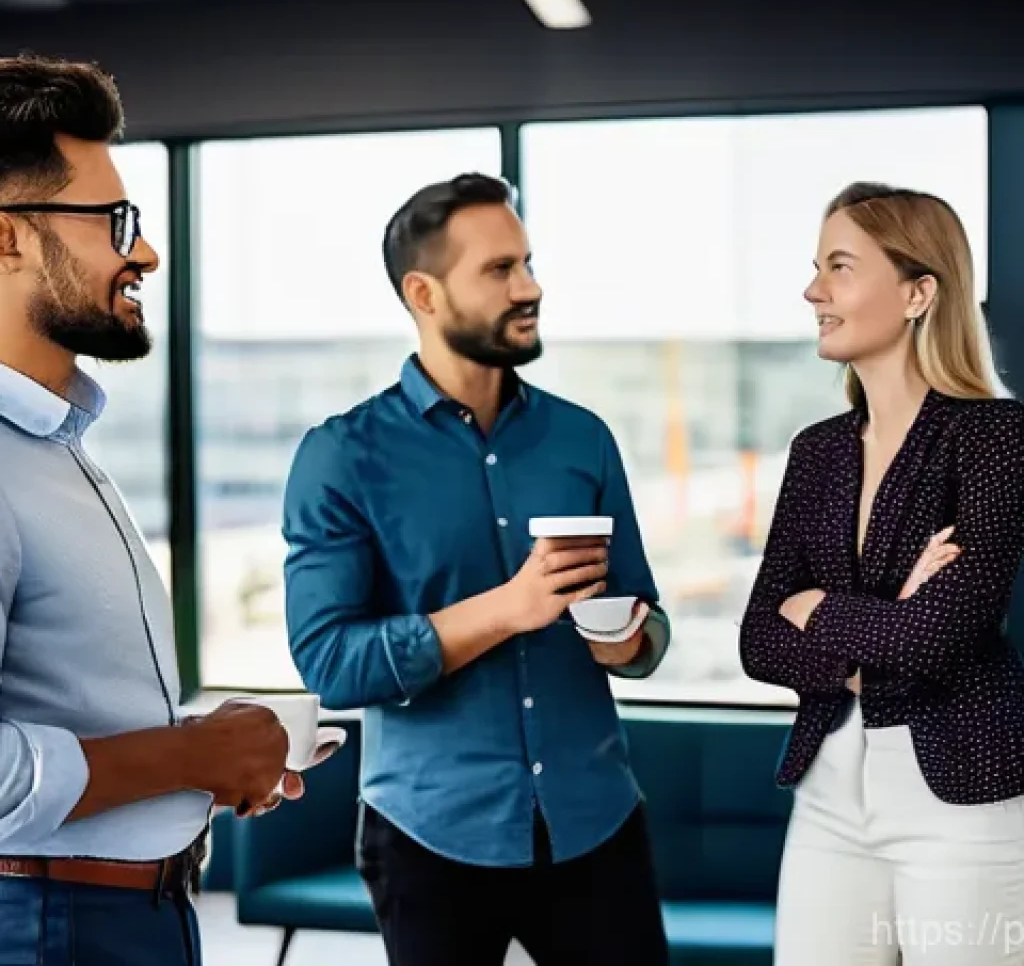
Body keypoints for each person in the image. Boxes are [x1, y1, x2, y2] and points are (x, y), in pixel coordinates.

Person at [283, 172, 671, 965]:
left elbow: (649, 622)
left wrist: (629, 643)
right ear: (423, 293)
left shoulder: (582, 439)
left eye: (527, 262)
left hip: (595, 820)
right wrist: (509, 607)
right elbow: (329, 663)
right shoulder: (342, 457)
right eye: (500, 270)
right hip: (429, 838)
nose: (530, 287)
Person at [0, 54, 302, 966]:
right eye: (113, 221)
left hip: (130, 917)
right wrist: (191, 760)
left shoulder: (58, 444)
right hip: (48, 928)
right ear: (7, 237)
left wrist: (211, 759)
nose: (145, 252)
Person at [739, 182, 1024, 966]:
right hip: (830, 788)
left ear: (918, 292)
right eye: (815, 268)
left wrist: (818, 604)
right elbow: (758, 641)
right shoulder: (817, 451)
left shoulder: (995, 437)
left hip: (963, 795)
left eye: (839, 267)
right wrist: (885, 619)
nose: (813, 291)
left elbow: (936, 638)